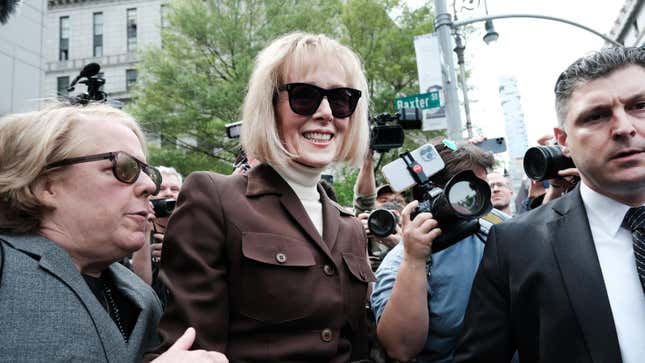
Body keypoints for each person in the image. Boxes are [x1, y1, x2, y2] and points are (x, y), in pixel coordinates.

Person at [147, 32, 374, 363]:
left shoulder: (350, 225)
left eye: (341, 99)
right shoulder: (214, 197)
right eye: (304, 96)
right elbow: (192, 350)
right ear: (269, 106)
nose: (326, 112)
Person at [455, 46, 645, 363]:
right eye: (596, 116)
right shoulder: (516, 245)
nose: (624, 128)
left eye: (640, 105)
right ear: (563, 140)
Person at [0, 104, 227, 362]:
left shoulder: (141, 297)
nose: (150, 186)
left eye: (147, 172)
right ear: (47, 186)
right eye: (124, 168)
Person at [371, 142, 500, 362]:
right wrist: (414, 260)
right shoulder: (399, 263)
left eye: (482, 190)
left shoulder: (495, 224)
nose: (479, 201)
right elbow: (400, 348)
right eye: (468, 191)